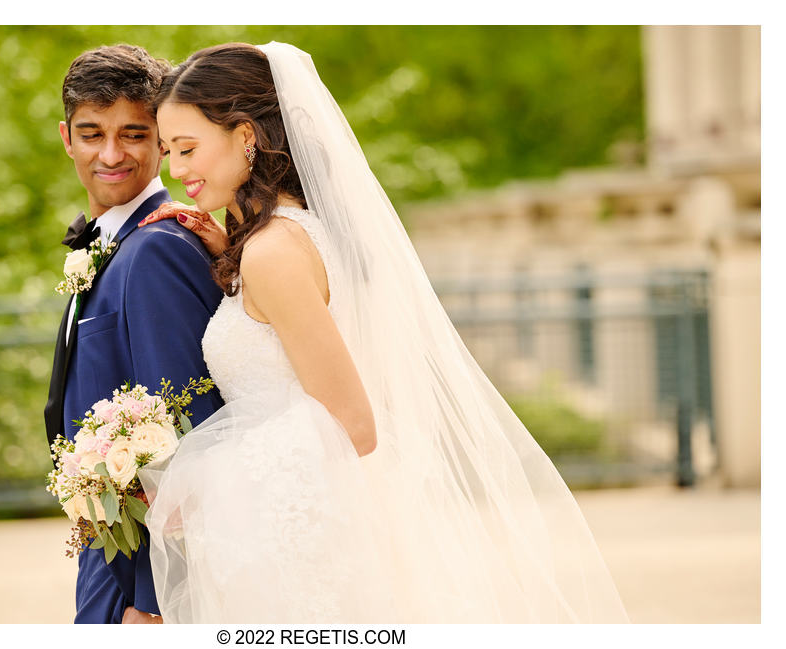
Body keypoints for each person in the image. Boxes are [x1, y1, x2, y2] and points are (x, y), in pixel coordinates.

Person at [138, 42, 629, 623]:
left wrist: (195, 486)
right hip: (331, 522)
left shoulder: (273, 253)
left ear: (247, 134)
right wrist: (231, 258)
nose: (175, 170)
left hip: (303, 545)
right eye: (168, 150)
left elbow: (353, 424)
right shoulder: (303, 232)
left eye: (188, 148)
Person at [43, 44, 224, 624]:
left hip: (139, 587)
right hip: (106, 562)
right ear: (66, 137)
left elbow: (193, 437)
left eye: (135, 134)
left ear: (163, 142)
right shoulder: (115, 246)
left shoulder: (158, 250)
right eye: (92, 133)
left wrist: (151, 600)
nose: (111, 154)